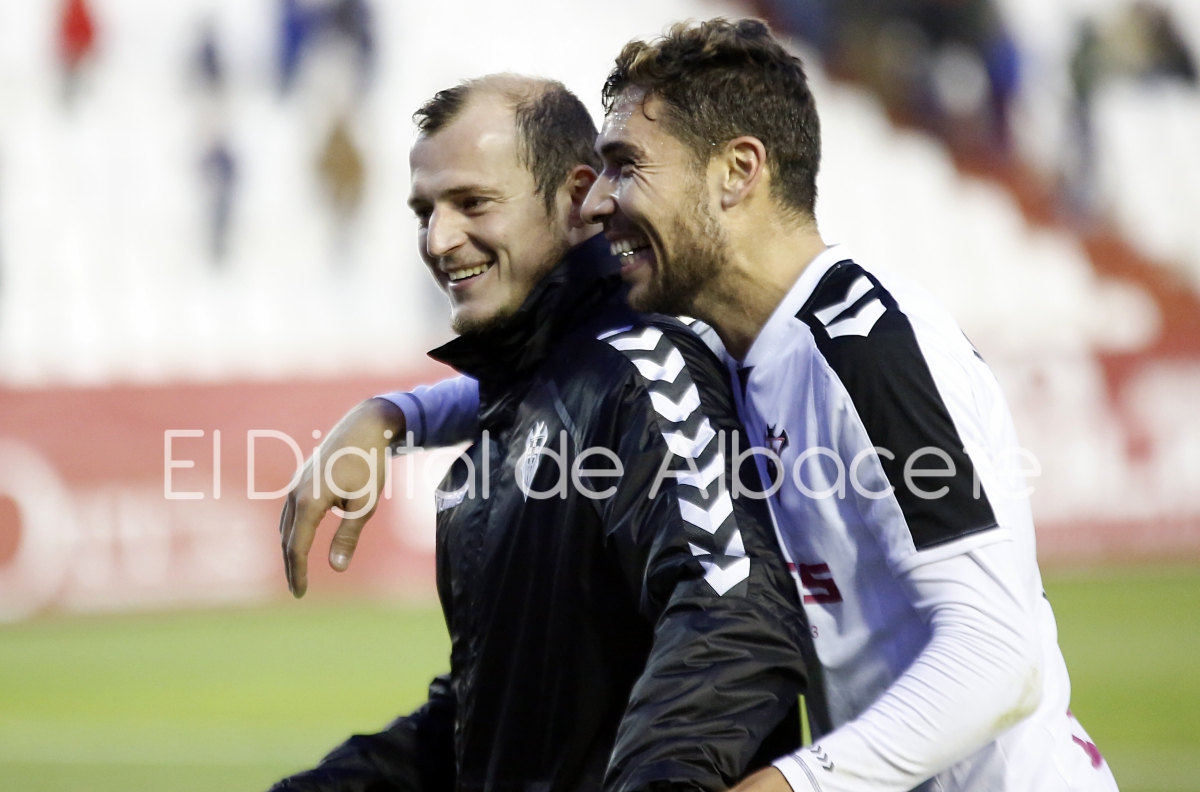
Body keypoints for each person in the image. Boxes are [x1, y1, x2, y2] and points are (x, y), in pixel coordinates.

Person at [343, 19, 1120, 792]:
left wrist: (793, 785)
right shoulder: (734, 339)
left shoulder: (868, 347)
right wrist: (395, 418)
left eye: (626, 166)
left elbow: (995, 653)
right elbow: (566, 383)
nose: (598, 202)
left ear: (737, 171)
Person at [272, 74, 817, 792]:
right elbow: (493, 728)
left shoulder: (640, 368)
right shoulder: (514, 400)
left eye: (472, 203)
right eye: (424, 212)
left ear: (577, 199)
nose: (438, 240)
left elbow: (736, 613)